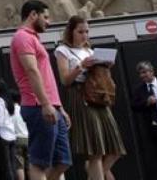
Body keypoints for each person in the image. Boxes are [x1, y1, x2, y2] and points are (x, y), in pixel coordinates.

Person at [53, 16, 125, 180]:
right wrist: (81, 66)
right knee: (95, 151)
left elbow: (99, 77)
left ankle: (92, 175)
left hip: (99, 98)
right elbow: (65, 80)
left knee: (115, 149)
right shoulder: (63, 50)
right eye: (80, 32)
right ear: (71, 32)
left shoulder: (90, 51)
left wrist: (105, 66)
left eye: (86, 31)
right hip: (80, 95)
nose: (84, 35)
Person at [10, 0, 70, 180]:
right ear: (33, 15)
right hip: (38, 106)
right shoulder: (22, 37)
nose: (48, 22)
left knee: (63, 161)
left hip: (50, 106)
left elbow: (44, 75)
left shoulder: (33, 38)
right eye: (46, 17)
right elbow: (31, 70)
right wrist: (45, 104)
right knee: (39, 163)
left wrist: (59, 107)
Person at [9, 90, 28, 180]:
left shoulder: (11, 112)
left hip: (17, 139)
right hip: (28, 139)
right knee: (31, 165)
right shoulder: (23, 110)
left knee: (19, 165)